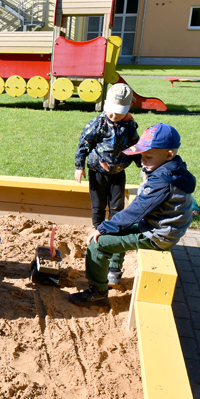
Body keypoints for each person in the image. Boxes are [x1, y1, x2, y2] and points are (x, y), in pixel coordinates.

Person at [70, 123, 196, 305]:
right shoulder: (174, 169)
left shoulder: (163, 180)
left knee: (97, 244)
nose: (143, 161)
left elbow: (137, 210)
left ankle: (98, 293)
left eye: (148, 157)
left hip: (157, 234)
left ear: (168, 154)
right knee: (117, 230)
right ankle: (114, 272)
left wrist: (104, 228)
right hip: (163, 228)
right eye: (142, 156)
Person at [74, 83, 141, 285]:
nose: (114, 116)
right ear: (105, 105)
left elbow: (136, 147)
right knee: (98, 203)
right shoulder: (97, 123)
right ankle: (98, 228)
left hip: (118, 172)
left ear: (127, 109)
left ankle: (113, 228)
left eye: (119, 113)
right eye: (111, 112)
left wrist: (142, 166)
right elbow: (84, 144)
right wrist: (80, 166)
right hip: (97, 172)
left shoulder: (129, 127)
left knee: (116, 206)